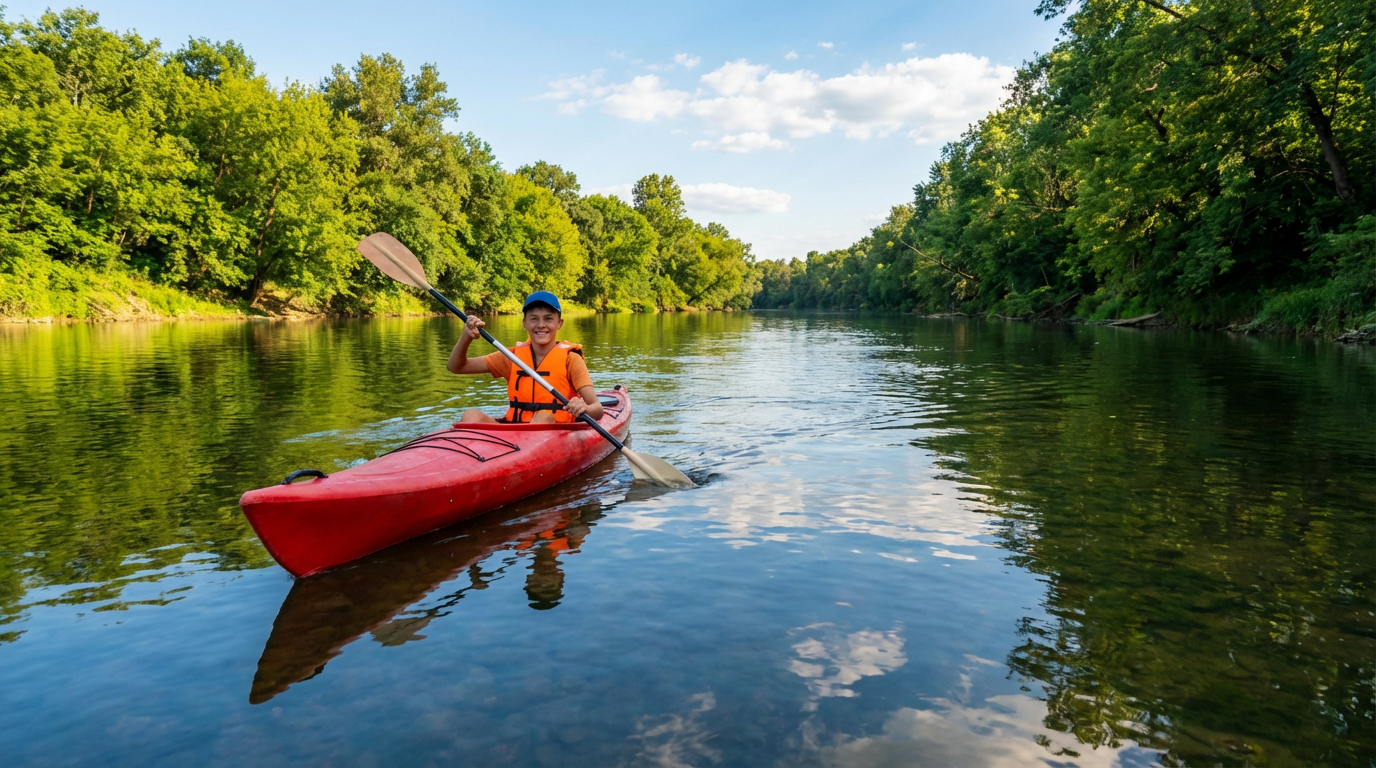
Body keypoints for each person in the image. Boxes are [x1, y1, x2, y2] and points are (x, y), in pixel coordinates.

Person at [447, 291, 604, 424]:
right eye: (534, 318)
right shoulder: (512, 357)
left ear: (559, 323)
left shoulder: (571, 359)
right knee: (470, 415)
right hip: (514, 430)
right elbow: (456, 367)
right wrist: (466, 336)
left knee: (543, 416)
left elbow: (597, 409)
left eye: (548, 318)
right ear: (524, 323)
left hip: (554, 431)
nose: (541, 324)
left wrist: (584, 408)